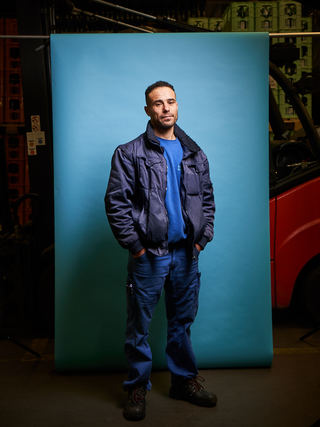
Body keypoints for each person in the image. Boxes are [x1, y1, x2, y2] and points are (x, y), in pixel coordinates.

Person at [105, 81, 216, 421]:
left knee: (182, 322)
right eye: (158, 103)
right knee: (139, 325)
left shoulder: (194, 153)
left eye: (170, 102)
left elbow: (207, 200)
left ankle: (183, 381)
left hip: (186, 254)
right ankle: (137, 386)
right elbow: (116, 203)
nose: (165, 108)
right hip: (149, 255)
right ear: (147, 110)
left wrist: (201, 239)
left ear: (177, 106)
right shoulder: (129, 153)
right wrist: (136, 247)